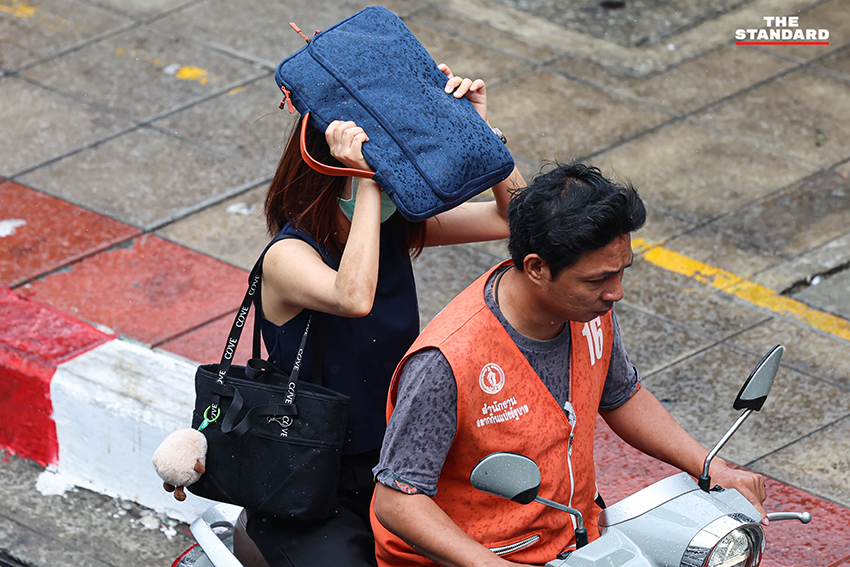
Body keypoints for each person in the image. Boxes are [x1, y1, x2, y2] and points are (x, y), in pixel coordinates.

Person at [370, 163, 769, 567]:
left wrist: (711, 467)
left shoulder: (588, 311)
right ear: (537, 268)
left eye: (622, 272)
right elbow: (397, 500)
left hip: (575, 540)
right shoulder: (446, 363)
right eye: (598, 280)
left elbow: (622, 396)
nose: (617, 293)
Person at [237, 64, 525, 567]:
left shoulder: (392, 230)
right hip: (313, 483)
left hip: (395, 463)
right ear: (330, 176)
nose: (395, 191)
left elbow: (511, 220)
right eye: (386, 177)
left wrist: (480, 136)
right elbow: (353, 296)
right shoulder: (287, 256)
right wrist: (367, 177)